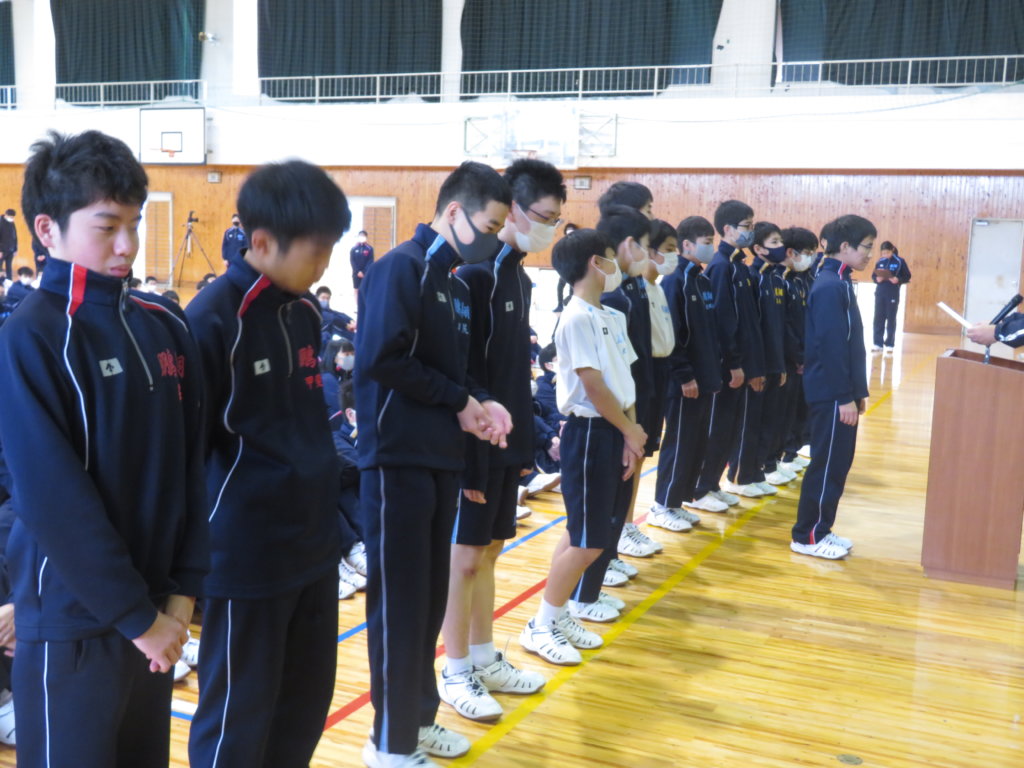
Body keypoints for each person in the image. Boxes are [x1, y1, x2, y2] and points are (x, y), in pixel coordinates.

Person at [0, 129, 208, 767]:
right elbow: (54, 502)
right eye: (107, 226)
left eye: (135, 224)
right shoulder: (31, 337)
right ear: (47, 229)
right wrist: (139, 619)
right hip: (74, 626)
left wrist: (179, 598)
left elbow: (190, 470)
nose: (127, 245)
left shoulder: (165, 325)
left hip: (158, 617)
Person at [186, 160, 351, 767]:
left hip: (314, 548)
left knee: (302, 709)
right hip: (247, 558)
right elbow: (187, 456)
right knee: (237, 720)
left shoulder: (304, 312)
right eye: (317, 251)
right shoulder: (210, 320)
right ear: (260, 242)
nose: (325, 265)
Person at [354, 161, 511, 768]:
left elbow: (456, 372)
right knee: (398, 605)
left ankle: (417, 721)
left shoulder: (455, 283)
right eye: (489, 226)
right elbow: (381, 358)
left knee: (425, 603)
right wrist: (459, 400)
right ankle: (389, 743)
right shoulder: (401, 267)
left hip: (439, 459)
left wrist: (483, 402)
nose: (493, 239)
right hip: (396, 460)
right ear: (453, 212)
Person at [439, 158, 565, 724]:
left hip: (506, 443)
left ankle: (485, 656)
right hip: (474, 444)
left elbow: (513, 373)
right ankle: (455, 669)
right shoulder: (476, 274)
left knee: (490, 552)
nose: (549, 229)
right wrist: (473, 456)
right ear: (512, 209)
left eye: (556, 220)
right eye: (544, 216)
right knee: (465, 558)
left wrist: (524, 447)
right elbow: (464, 374)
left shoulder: (517, 273)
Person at [519, 229, 645, 663]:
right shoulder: (574, 317)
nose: (617, 264)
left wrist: (631, 431)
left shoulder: (610, 315)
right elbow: (592, 385)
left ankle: (558, 615)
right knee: (590, 540)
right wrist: (628, 431)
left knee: (583, 532)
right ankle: (541, 625)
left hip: (614, 429)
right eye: (611, 256)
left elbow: (623, 381)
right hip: (590, 433)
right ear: (596, 261)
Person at [791, 214, 876, 559]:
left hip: (840, 393)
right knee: (826, 464)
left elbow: (851, 343)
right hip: (829, 394)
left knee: (837, 463)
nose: (869, 254)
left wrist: (858, 392)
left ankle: (821, 528)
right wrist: (844, 396)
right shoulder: (829, 286)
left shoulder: (840, 281)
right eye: (866, 246)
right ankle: (807, 536)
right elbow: (831, 347)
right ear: (845, 246)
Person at [652, 216, 724, 519]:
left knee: (696, 443)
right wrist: (684, 375)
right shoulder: (674, 280)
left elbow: (708, 333)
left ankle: (680, 501)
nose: (712, 248)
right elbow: (672, 334)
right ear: (687, 245)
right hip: (685, 381)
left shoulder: (702, 279)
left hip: (706, 378)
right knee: (679, 442)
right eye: (707, 242)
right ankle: (662, 505)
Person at [693, 200, 760, 506]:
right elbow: (723, 320)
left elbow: (746, 322)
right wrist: (732, 362)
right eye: (747, 226)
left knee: (729, 428)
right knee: (716, 428)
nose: (751, 231)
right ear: (728, 229)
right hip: (726, 366)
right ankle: (698, 489)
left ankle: (712, 483)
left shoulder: (738, 266)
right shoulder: (721, 266)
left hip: (741, 362)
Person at [872, 241, 911, 354]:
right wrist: (877, 279)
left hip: (892, 293)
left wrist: (898, 279)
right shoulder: (880, 261)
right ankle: (877, 343)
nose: (885, 255)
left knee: (891, 318)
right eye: (883, 253)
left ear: (892, 250)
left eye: (887, 252)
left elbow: (907, 276)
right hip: (880, 293)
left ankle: (889, 344)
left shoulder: (900, 261)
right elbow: (873, 276)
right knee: (878, 318)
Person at [554, 222, 579, 312]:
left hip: (575, 269)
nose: (570, 234)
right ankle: (560, 305)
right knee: (560, 286)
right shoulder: (563, 243)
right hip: (564, 268)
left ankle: (568, 304)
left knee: (572, 290)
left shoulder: (578, 243)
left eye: (572, 232)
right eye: (568, 232)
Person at [350, 230, 374, 297]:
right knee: (356, 290)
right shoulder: (353, 248)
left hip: (365, 273)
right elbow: (352, 261)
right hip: (356, 273)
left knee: (365, 289)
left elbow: (370, 261)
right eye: (360, 236)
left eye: (363, 236)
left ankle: (365, 302)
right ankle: (357, 303)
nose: (362, 237)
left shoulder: (369, 249)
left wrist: (363, 272)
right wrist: (357, 271)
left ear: (366, 237)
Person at [0, 210, 15, 282]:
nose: (11, 218)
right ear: (6, 215)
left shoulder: (11, 222)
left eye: (13, 217)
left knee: (9, 266)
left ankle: (9, 281)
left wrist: (15, 249)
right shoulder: (0, 223)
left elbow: (14, 236)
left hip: (10, 249)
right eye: (10, 217)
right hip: (2, 250)